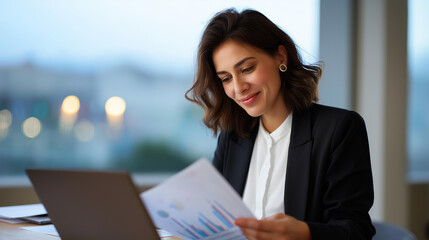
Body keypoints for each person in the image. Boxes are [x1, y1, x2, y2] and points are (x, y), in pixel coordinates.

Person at [186, 8, 375, 240]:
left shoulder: (339, 130)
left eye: (247, 69)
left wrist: (306, 233)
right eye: (226, 78)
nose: (238, 88)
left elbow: (356, 231)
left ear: (281, 57)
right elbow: (213, 217)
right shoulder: (233, 136)